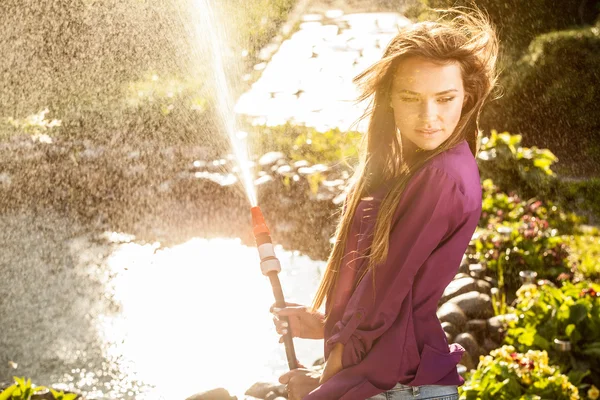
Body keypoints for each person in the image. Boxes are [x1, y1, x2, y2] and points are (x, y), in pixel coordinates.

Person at [271, 5, 499, 400]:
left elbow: (382, 293)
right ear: (390, 97)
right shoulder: (430, 165)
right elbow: (394, 293)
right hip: (404, 376)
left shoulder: (440, 178)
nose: (429, 117)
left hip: (399, 384)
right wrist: (327, 325)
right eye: (411, 98)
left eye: (445, 99)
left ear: (468, 95)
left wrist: (327, 379)